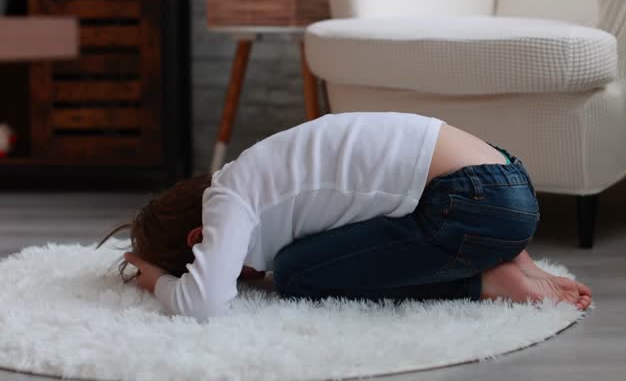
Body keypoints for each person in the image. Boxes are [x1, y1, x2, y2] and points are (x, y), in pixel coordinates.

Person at [98, 112, 592, 319]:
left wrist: (158, 282)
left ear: (199, 237)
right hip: (505, 183)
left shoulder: (228, 197)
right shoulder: (265, 173)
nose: (247, 275)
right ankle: (511, 256)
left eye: (217, 257)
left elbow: (204, 304)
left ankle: (491, 282)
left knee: (296, 272)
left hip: (476, 204)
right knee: (322, 252)